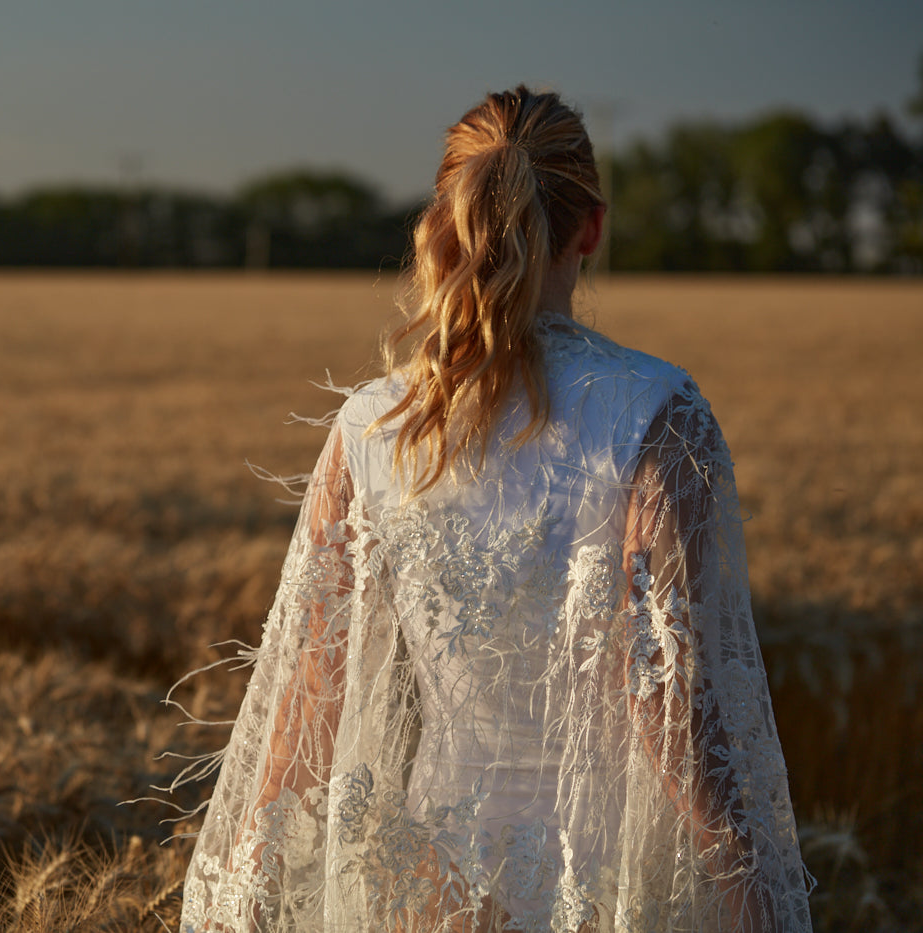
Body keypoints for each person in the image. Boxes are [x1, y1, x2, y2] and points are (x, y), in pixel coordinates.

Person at [175, 87, 814, 931]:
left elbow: (308, 704)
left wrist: (241, 905)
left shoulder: (373, 425)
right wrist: (760, 904)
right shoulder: (656, 410)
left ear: (446, 219)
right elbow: (672, 713)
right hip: (605, 886)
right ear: (590, 229)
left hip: (425, 889)